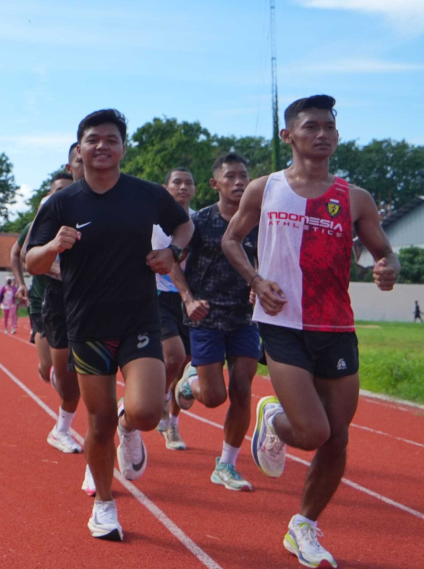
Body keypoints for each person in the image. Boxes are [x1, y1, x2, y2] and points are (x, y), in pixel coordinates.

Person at [222, 95, 398, 569]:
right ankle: (274, 421)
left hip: (336, 325)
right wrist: (256, 281)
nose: (322, 134)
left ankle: (303, 526)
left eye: (329, 127)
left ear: (337, 137)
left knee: (337, 438)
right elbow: (231, 239)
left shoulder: (354, 198)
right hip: (281, 324)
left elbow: (384, 251)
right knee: (313, 431)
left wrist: (386, 267)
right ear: (289, 136)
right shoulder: (264, 188)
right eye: (311, 126)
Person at [27, 109, 191, 542]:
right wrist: (52, 246)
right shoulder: (63, 202)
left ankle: (129, 426)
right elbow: (31, 259)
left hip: (139, 317)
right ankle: (104, 504)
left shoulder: (147, 195)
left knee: (147, 411)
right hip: (88, 326)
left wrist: (172, 251)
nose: (102, 146)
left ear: (123, 147)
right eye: (93, 139)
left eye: (111, 139)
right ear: (79, 149)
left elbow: (185, 225)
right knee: (97, 421)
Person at [171, 153, 260, 492]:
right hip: (205, 317)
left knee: (242, 389)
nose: (239, 182)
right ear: (215, 184)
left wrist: (260, 284)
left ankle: (226, 464)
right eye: (231, 176)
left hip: (244, 318)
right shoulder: (199, 223)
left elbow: (265, 260)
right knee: (213, 397)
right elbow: (171, 260)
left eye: (244, 176)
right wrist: (188, 298)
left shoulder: (258, 221)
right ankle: (188, 380)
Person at [15, 168, 82, 455]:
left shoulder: (84, 216)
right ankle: (58, 377)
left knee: (78, 373)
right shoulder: (43, 219)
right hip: (43, 298)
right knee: (48, 369)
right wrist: (22, 283)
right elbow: (20, 253)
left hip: (80, 301)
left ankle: (66, 427)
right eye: (57, 190)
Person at [152, 167, 196, 451]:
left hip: (193, 300)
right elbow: (171, 263)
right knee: (174, 357)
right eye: (176, 182)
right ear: (166, 187)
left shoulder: (198, 220)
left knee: (188, 365)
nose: (182, 187)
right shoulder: (155, 224)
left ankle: (173, 425)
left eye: (188, 183)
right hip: (159, 297)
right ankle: (160, 403)